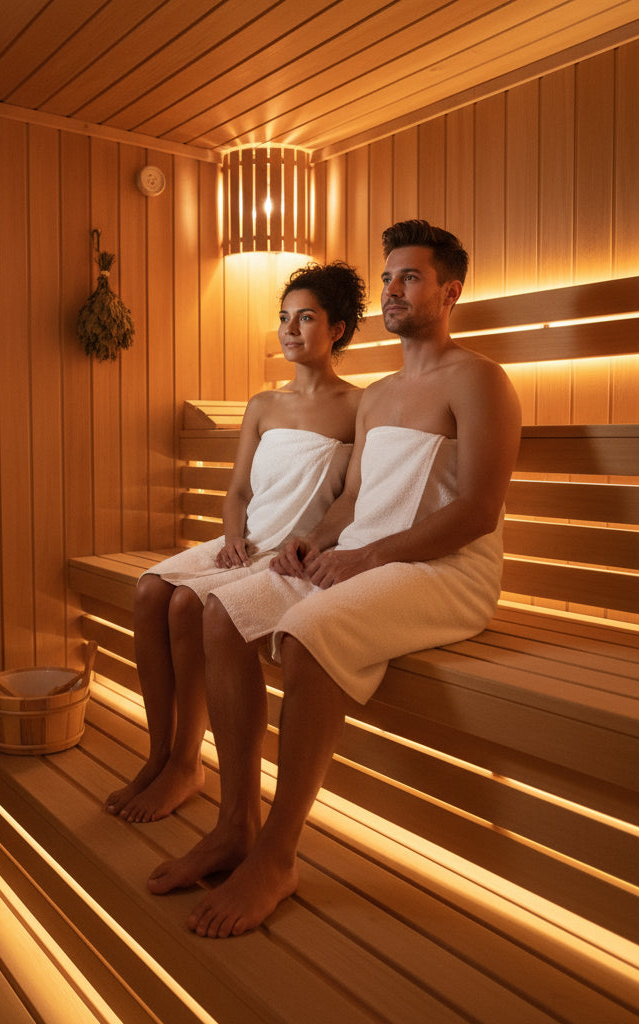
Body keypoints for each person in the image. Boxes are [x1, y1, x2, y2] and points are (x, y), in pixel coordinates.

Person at [147, 220, 522, 937]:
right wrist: (309, 541)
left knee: (307, 631)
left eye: (410, 278)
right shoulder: (378, 397)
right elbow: (352, 501)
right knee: (222, 612)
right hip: (368, 560)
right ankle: (235, 822)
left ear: (451, 292)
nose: (393, 289)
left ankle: (278, 857)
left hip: (446, 572)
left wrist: (365, 557)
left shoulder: (479, 380)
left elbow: (477, 510)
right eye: (388, 277)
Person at [104, 261, 368, 822]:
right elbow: (238, 493)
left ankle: (187, 764)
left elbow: (354, 499)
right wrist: (230, 541)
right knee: (150, 589)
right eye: (283, 318)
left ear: (337, 330)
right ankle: (163, 756)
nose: (289, 329)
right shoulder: (263, 405)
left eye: (305, 318)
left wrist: (309, 543)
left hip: (294, 551)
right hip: (245, 541)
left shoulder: (357, 408)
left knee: (184, 602)